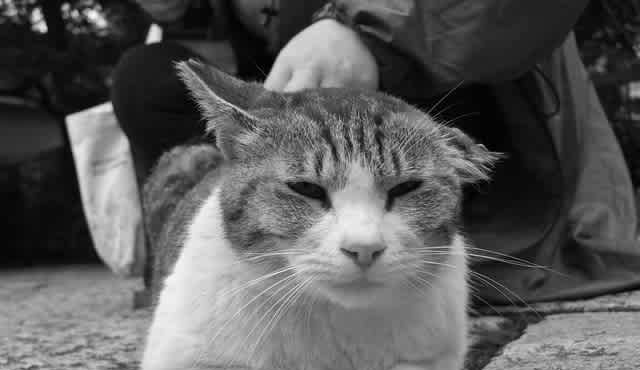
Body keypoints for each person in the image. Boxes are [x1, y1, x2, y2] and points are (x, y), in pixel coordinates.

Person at [111, 0, 640, 304]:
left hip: (467, 78)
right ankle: (205, 268)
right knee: (144, 78)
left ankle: (445, 251)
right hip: (296, 108)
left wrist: (373, 29)